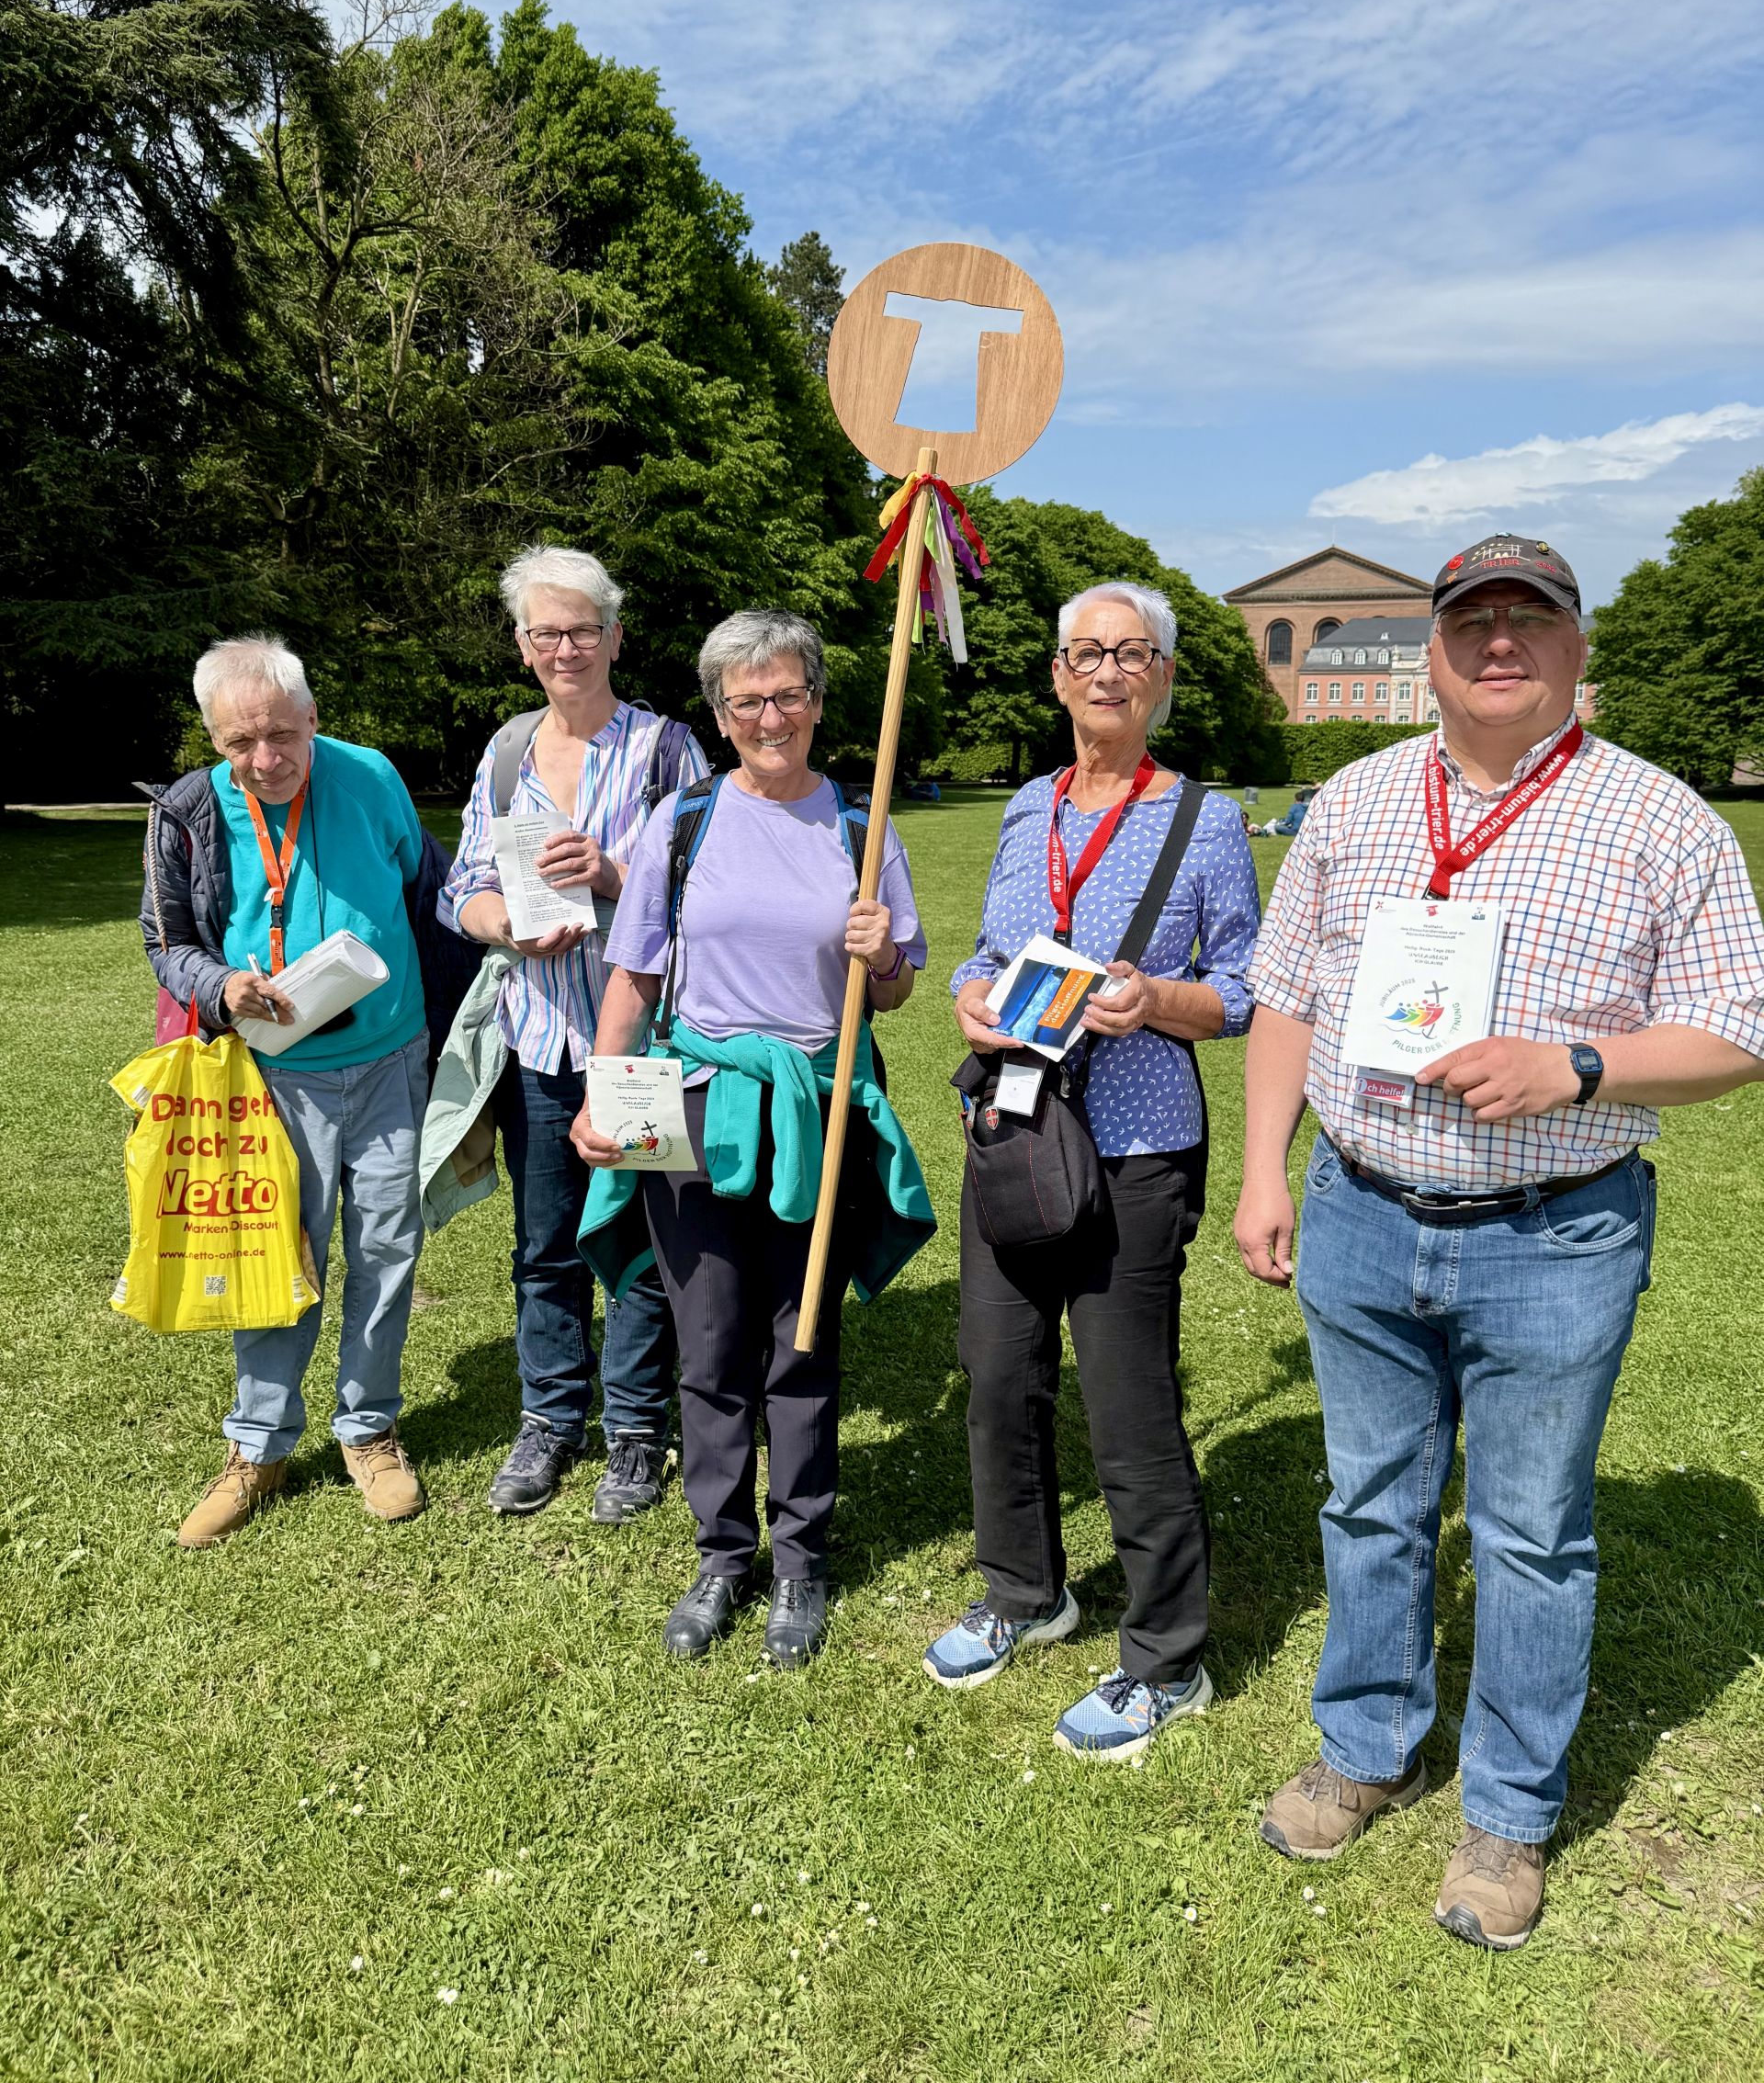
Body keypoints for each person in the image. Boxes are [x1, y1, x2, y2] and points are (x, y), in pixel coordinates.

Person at [1235, 533, 1764, 1951]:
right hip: (1359, 1211)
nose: (1501, 641)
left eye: (1533, 617)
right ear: (1435, 651)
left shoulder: (1661, 819)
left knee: (1531, 1532)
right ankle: (1365, 1748)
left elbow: (1736, 1033)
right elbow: (1285, 993)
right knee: (1370, 1501)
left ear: (1578, 648)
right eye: (1474, 620)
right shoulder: (1353, 800)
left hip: (1555, 1236)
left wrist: (1576, 1067)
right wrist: (1265, 1170)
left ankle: (1510, 1812)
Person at [924, 583, 1261, 1759]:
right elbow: (986, 949)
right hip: (1017, 1130)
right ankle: (1024, 1590)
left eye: (1131, 651)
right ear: (1058, 675)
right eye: (1086, 652)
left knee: (1128, 1403)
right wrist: (971, 995)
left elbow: (1247, 988)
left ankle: (1167, 1655)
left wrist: (1154, 999)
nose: (1107, 670)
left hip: (1137, 1145)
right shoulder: (1029, 807)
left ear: (1161, 675)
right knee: (997, 1374)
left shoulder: (1204, 818)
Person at [571, 609, 934, 1669]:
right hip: (693, 1105)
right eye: (746, 701)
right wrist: (601, 1093)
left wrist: (885, 955)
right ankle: (724, 1552)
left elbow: (896, 991)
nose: (769, 717)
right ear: (721, 715)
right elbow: (634, 974)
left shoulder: (861, 826)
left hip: (814, 1111)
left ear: (817, 701)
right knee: (710, 1340)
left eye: (787, 695)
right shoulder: (681, 823)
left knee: (801, 1338)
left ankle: (801, 1557)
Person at [141, 637, 432, 1547]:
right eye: (240, 742)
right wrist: (221, 983)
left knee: (386, 1248)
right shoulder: (187, 809)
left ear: (312, 717)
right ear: (213, 737)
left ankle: (368, 1430)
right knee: (273, 1257)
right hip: (268, 1074)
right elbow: (165, 939)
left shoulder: (372, 774)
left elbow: (424, 884)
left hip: (389, 1058)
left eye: (280, 734)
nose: (264, 759)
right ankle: (257, 1446)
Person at [442, 546, 707, 1521]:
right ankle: (550, 1418)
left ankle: (636, 1428)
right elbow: (463, 887)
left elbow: (710, 889)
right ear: (523, 646)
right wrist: (503, 924)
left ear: (615, 638)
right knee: (546, 1242)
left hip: (639, 1047)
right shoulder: (507, 752)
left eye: (583, 630)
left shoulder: (668, 751)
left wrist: (610, 874)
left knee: (637, 1237)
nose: (566, 649)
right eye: (545, 633)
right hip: (537, 1040)